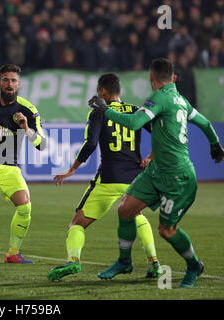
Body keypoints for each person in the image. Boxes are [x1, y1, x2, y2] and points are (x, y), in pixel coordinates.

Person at [88, 58, 224, 288]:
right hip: (156, 171)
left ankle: (194, 265)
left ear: (151, 78)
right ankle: (124, 262)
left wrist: (105, 110)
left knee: (166, 230)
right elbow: (204, 122)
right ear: (173, 78)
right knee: (125, 209)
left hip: (177, 177)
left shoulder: (158, 97)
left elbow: (134, 123)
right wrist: (215, 144)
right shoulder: (181, 100)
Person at [47, 73, 162, 281]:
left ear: (102, 91)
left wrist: (72, 169)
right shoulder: (135, 111)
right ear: (119, 91)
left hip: (109, 177)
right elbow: (159, 132)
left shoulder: (99, 112)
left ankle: (73, 260)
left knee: (77, 224)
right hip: (135, 179)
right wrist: (150, 157)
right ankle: (153, 262)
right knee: (136, 216)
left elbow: (90, 144)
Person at [0, 64, 47, 264]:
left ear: (19, 84)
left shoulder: (28, 110)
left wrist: (25, 127)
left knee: (25, 207)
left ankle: (13, 253)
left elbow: (42, 145)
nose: (9, 84)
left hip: (8, 167)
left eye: (13, 80)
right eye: (5, 80)